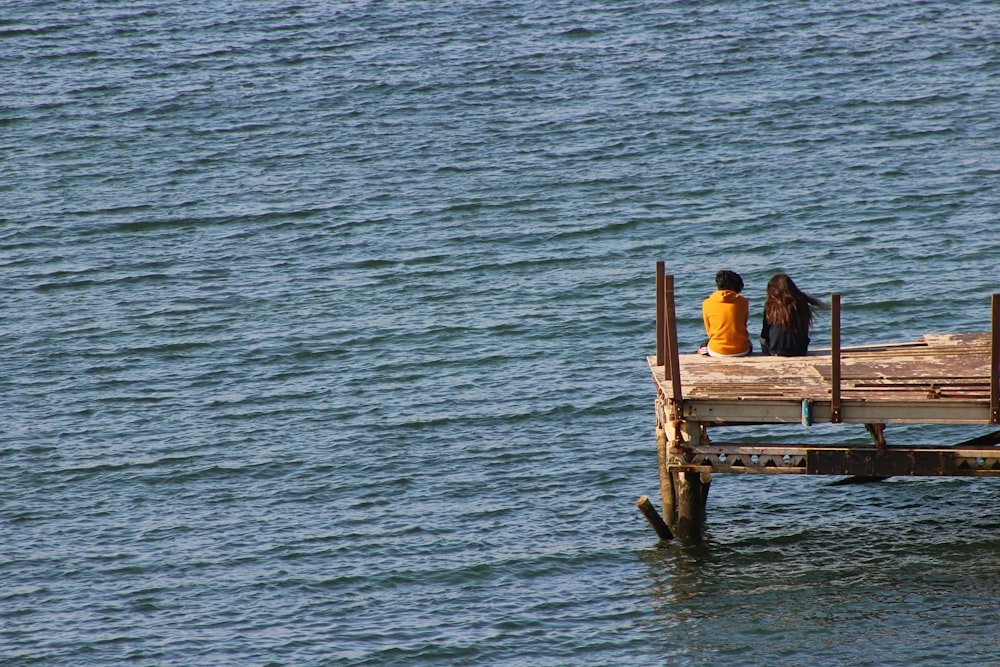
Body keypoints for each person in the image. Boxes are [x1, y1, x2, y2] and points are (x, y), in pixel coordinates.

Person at [759, 273, 824, 356]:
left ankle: (768, 356)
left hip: (776, 350)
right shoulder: (802, 302)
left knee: (763, 340)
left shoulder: (771, 306)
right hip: (800, 350)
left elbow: (765, 332)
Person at [700, 270, 751, 357]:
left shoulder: (707, 303)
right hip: (742, 350)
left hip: (717, 351)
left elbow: (709, 331)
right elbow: (743, 325)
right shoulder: (744, 301)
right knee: (748, 342)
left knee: (702, 347)